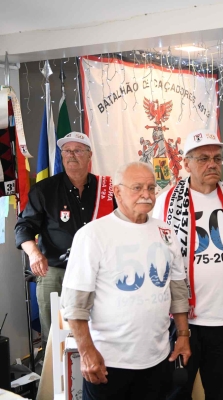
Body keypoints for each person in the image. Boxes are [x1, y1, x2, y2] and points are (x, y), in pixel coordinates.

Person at [61, 162, 191, 400]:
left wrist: (183, 335)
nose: (146, 194)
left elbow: (178, 290)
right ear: (117, 192)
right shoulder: (92, 235)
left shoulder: (166, 232)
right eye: (137, 187)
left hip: (158, 359)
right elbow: (75, 305)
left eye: (151, 187)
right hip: (109, 363)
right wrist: (87, 352)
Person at [153, 130, 223, 400]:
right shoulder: (165, 202)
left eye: (217, 158)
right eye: (203, 158)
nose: (212, 164)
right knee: (177, 392)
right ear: (186, 164)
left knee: (220, 393)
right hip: (182, 320)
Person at [14, 132, 115, 352]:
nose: (71, 155)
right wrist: (34, 253)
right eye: (66, 151)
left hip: (98, 274)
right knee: (55, 338)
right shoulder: (44, 190)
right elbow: (24, 227)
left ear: (89, 155)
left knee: (99, 332)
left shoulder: (106, 190)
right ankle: (54, 373)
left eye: (77, 150)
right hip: (56, 271)